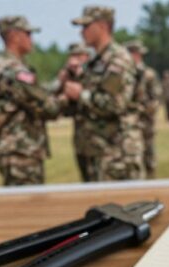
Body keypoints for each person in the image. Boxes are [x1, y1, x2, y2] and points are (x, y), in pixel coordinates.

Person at [64, 5, 143, 181]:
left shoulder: (117, 60)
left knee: (118, 206)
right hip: (96, 150)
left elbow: (115, 104)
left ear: (102, 26)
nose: (81, 32)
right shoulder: (95, 61)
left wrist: (80, 94)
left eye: (86, 26)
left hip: (116, 153)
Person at [0, 16, 66, 186]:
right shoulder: (14, 71)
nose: (32, 39)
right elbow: (47, 107)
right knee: (28, 208)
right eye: (28, 34)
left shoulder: (2, 65)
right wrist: (67, 98)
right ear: (14, 36)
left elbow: (35, 94)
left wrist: (59, 84)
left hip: (15, 150)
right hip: (21, 152)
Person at [55, 43, 93, 182]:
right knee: (86, 180)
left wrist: (81, 75)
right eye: (72, 56)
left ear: (87, 56)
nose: (74, 60)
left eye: (78, 55)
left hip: (98, 140)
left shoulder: (96, 73)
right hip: (81, 139)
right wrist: (62, 81)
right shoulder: (69, 76)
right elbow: (61, 107)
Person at [127, 41, 161, 179]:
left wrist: (144, 110)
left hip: (145, 122)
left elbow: (156, 98)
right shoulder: (125, 74)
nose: (136, 56)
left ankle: (151, 181)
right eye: (133, 54)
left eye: (137, 54)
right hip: (129, 124)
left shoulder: (149, 74)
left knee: (149, 157)